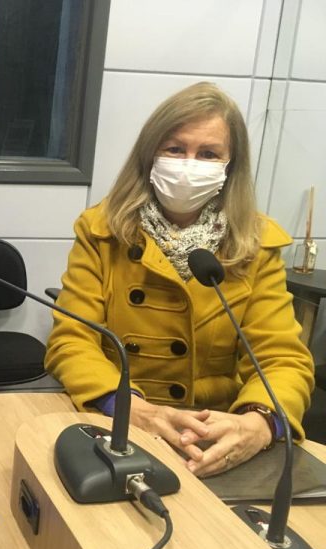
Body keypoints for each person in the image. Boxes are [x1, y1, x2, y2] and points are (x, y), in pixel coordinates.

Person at [45, 82, 314, 478]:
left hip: (213, 434)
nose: (190, 164)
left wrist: (258, 423)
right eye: (175, 149)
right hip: (117, 421)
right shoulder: (101, 230)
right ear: (150, 155)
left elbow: (282, 359)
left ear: (230, 165)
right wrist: (131, 408)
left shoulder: (255, 243)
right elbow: (72, 341)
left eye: (208, 154)